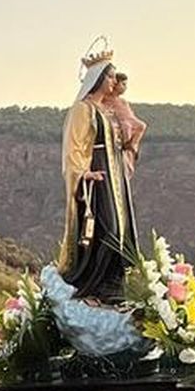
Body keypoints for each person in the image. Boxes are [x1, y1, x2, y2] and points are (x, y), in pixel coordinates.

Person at [56, 43, 142, 303]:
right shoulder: (83, 109)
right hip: (99, 175)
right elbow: (75, 145)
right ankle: (95, 285)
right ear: (99, 79)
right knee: (109, 228)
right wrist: (84, 172)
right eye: (110, 75)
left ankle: (115, 287)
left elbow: (123, 140)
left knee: (123, 227)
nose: (115, 80)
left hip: (115, 173)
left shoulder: (108, 108)